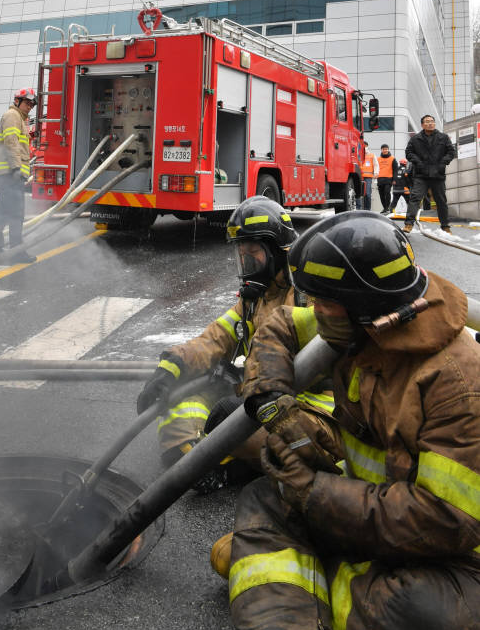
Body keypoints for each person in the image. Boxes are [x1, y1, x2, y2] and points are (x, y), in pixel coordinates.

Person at [224, 211, 480, 630]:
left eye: (325, 303)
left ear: (366, 305)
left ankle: (311, 578)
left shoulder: (456, 384)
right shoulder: (363, 328)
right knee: (264, 496)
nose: (315, 312)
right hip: (366, 512)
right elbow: (280, 325)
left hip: (451, 556)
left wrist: (316, 492)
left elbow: (446, 522)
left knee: (420, 610)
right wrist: (276, 404)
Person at [136, 197, 335, 488]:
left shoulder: (308, 298)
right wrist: (172, 366)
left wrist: (246, 395)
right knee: (180, 404)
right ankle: (197, 462)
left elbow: (299, 361)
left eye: (253, 255)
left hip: (306, 403)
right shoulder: (256, 298)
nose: (247, 264)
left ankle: (232, 469)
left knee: (240, 421)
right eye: (242, 256)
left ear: (277, 252)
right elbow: (216, 337)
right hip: (255, 395)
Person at [0, 88, 37, 262]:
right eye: (27, 102)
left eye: (32, 104)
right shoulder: (12, 116)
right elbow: (11, 141)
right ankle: (17, 252)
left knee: (2, 211)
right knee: (16, 214)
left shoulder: (20, 120)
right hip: (10, 173)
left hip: (9, 174)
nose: (29, 106)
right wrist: (16, 168)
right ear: (17, 101)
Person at [403, 114, 455, 234]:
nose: (430, 123)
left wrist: (443, 163)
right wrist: (418, 163)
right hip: (421, 175)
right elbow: (409, 153)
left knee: (441, 200)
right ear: (422, 125)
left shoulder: (443, 137)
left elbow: (451, 152)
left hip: (438, 174)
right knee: (415, 198)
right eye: (427, 121)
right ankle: (408, 224)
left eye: (432, 121)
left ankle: (445, 226)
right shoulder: (416, 138)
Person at [355, 141, 378, 210]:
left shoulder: (372, 155)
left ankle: (367, 209)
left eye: (365, 146)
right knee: (358, 194)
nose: (364, 147)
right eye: (363, 146)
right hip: (358, 177)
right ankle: (358, 209)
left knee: (367, 194)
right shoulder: (357, 155)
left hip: (368, 177)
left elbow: (376, 164)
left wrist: (376, 173)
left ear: (367, 146)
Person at [376, 143, 397, 213]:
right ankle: (385, 207)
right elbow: (376, 168)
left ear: (388, 150)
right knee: (381, 195)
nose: (385, 150)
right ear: (381, 150)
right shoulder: (378, 159)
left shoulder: (392, 158)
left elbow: (395, 170)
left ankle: (387, 206)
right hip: (380, 179)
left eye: (386, 149)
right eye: (383, 149)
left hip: (388, 179)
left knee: (387, 193)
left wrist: (394, 179)